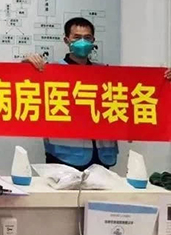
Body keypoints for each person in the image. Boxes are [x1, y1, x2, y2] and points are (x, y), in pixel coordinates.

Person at [24, 17, 171, 169]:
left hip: (102, 155)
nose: (82, 42)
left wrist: (164, 81)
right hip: (63, 156)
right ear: (66, 40)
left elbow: (132, 100)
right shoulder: (50, 72)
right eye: (77, 37)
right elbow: (21, 90)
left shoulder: (106, 74)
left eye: (87, 38)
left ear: (93, 41)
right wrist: (26, 66)